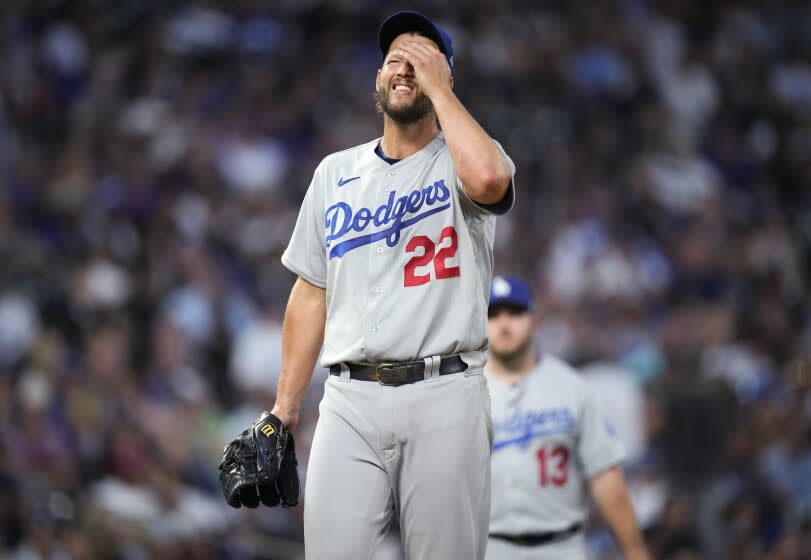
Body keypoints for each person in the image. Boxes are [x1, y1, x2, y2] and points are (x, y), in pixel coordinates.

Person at [272, 11, 515, 560]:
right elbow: (311, 292)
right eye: (395, 60)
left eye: (422, 60)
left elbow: (491, 181)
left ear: (446, 78)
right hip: (349, 398)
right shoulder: (335, 173)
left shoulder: (463, 157)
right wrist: (284, 410)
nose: (405, 69)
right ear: (377, 78)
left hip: (444, 389)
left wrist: (438, 88)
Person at [484, 275, 651, 560]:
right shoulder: (466, 393)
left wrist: (634, 550)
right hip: (490, 548)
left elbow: (606, 476)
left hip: (562, 546)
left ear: (535, 321)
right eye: (494, 314)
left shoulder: (571, 388)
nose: (504, 323)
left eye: (514, 313)